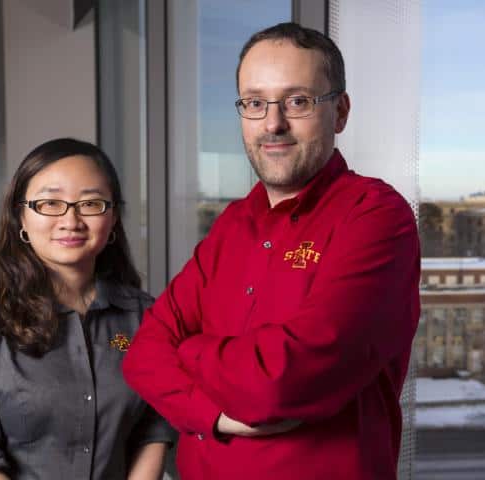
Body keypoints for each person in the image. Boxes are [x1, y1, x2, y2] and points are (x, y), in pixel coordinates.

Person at [123, 22, 420, 479]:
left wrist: (192, 351)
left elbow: (278, 381)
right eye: (255, 103)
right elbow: (143, 353)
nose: (273, 123)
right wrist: (216, 416)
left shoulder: (376, 218)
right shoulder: (231, 225)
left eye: (298, 101)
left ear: (339, 112)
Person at [0, 138, 177, 479]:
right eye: (49, 203)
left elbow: (153, 425)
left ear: (113, 217)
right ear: (21, 218)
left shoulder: (143, 316)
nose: (70, 220)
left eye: (91, 203)